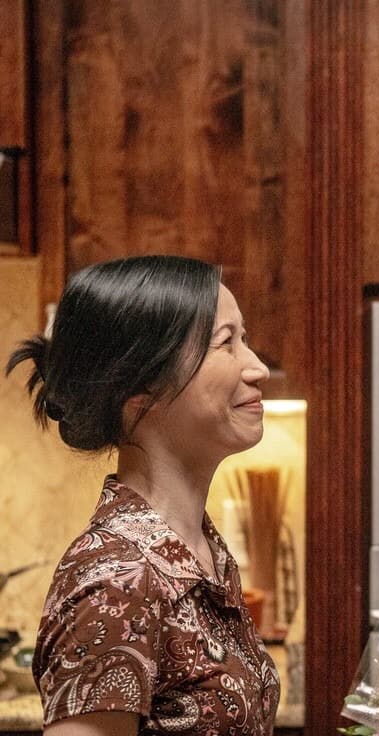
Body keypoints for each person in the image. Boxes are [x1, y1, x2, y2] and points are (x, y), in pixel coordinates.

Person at [6, 255, 280, 735]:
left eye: (246, 339)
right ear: (140, 388)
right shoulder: (117, 579)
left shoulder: (201, 556)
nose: (257, 367)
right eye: (226, 343)